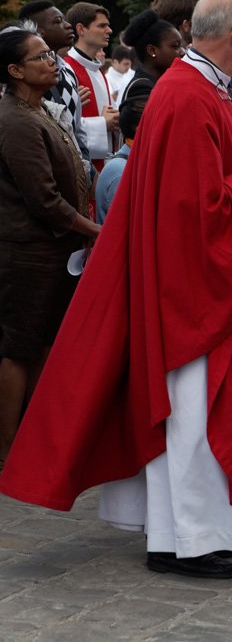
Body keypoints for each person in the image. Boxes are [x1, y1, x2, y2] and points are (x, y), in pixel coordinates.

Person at [0, 0, 232, 581]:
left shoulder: (192, 88)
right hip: (187, 289)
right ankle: (181, 539)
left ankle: (186, 531)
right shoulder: (188, 97)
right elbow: (191, 209)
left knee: (191, 413)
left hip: (182, 280)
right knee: (190, 414)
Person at [0, 27, 101, 468]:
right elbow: (43, 199)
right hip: (27, 252)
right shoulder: (16, 119)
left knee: (43, 345)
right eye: (39, 57)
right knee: (20, 348)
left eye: (49, 54)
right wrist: (95, 230)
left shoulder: (37, 110)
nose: (52, 61)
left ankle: (35, 440)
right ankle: (8, 449)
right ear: (15, 70)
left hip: (51, 251)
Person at [95, 10, 185, 223]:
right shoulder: (144, 87)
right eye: (174, 46)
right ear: (152, 50)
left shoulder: (154, 82)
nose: (181, 52)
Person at [17, 1, 91, 166]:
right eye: (57, 22)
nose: (67, 25)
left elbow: (77, 128)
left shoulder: (67, 70)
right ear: (38, 32)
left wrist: (85, 165)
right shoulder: (31, 78)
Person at [64, 2, 119, 164]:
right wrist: (103, 123)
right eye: (102, 26)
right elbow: (60, 127)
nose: (109, 30)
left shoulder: (98, 70)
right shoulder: (66, 69)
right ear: (81, 29)